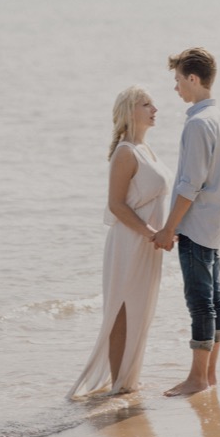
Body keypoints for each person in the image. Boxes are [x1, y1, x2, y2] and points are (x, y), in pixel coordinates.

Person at [68, 86, 172, 398]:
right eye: (146, 104)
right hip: (130, 242)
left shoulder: (146, 149)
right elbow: (116, 205)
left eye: (153, 103)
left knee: (141, 309)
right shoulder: (125, 152)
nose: (155, 109)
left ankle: (128, 381)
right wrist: (149, 232)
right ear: (130, 113)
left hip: (149, 242)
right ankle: (118, 385)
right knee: (122, 312)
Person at [153, 47, 220, 397]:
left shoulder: (199, 123)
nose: (175, 89)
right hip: (215, 221)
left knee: (200, 301)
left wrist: (169, 228)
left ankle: (198, 378)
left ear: (192, 78)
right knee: (213, 300)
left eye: (177, 81)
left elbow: (191, 184)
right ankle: (209, 375)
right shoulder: (217, 117)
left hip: (198, 224)